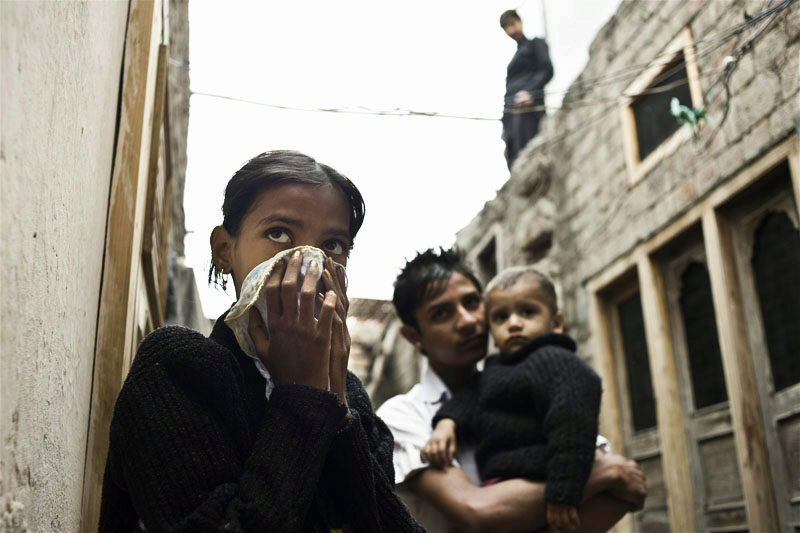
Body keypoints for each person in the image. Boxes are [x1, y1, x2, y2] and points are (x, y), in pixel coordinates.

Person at [99, 150, 422, 532]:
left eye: (333, 245)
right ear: (224, 250)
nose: (308, 264)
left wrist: (335, 405)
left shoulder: (350, 396)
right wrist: (301, 395)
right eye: (279, 234)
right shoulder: (180, 369)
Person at [376, 248, 646, 532]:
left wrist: (605, 474)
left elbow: (624, 489)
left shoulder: (530, 385)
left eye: (472, 302)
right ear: (414, 335)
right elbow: (476, 511)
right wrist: (601, 475)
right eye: (441, 313)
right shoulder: (402, 417)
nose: (468, 321)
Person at [423, 266, 602, 531]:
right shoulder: (494, 371)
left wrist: (564, 491)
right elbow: (468, 399)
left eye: (527, 312)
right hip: (499, 490)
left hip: (544, 486)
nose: (514, 323)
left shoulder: (557, 361)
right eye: (501, 317)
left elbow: (572, 426)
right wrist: (446, 424)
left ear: (556, 323)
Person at [500, 9, 554, 168]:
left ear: (519, 22)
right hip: (511, 112)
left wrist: (530, 92)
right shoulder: (513, 59)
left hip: (528, 108)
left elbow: (547, 70)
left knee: (527, 150)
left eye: (512, 24)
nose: (511, 30)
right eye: (506, 28)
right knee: (514, 154)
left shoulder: (535, 44)